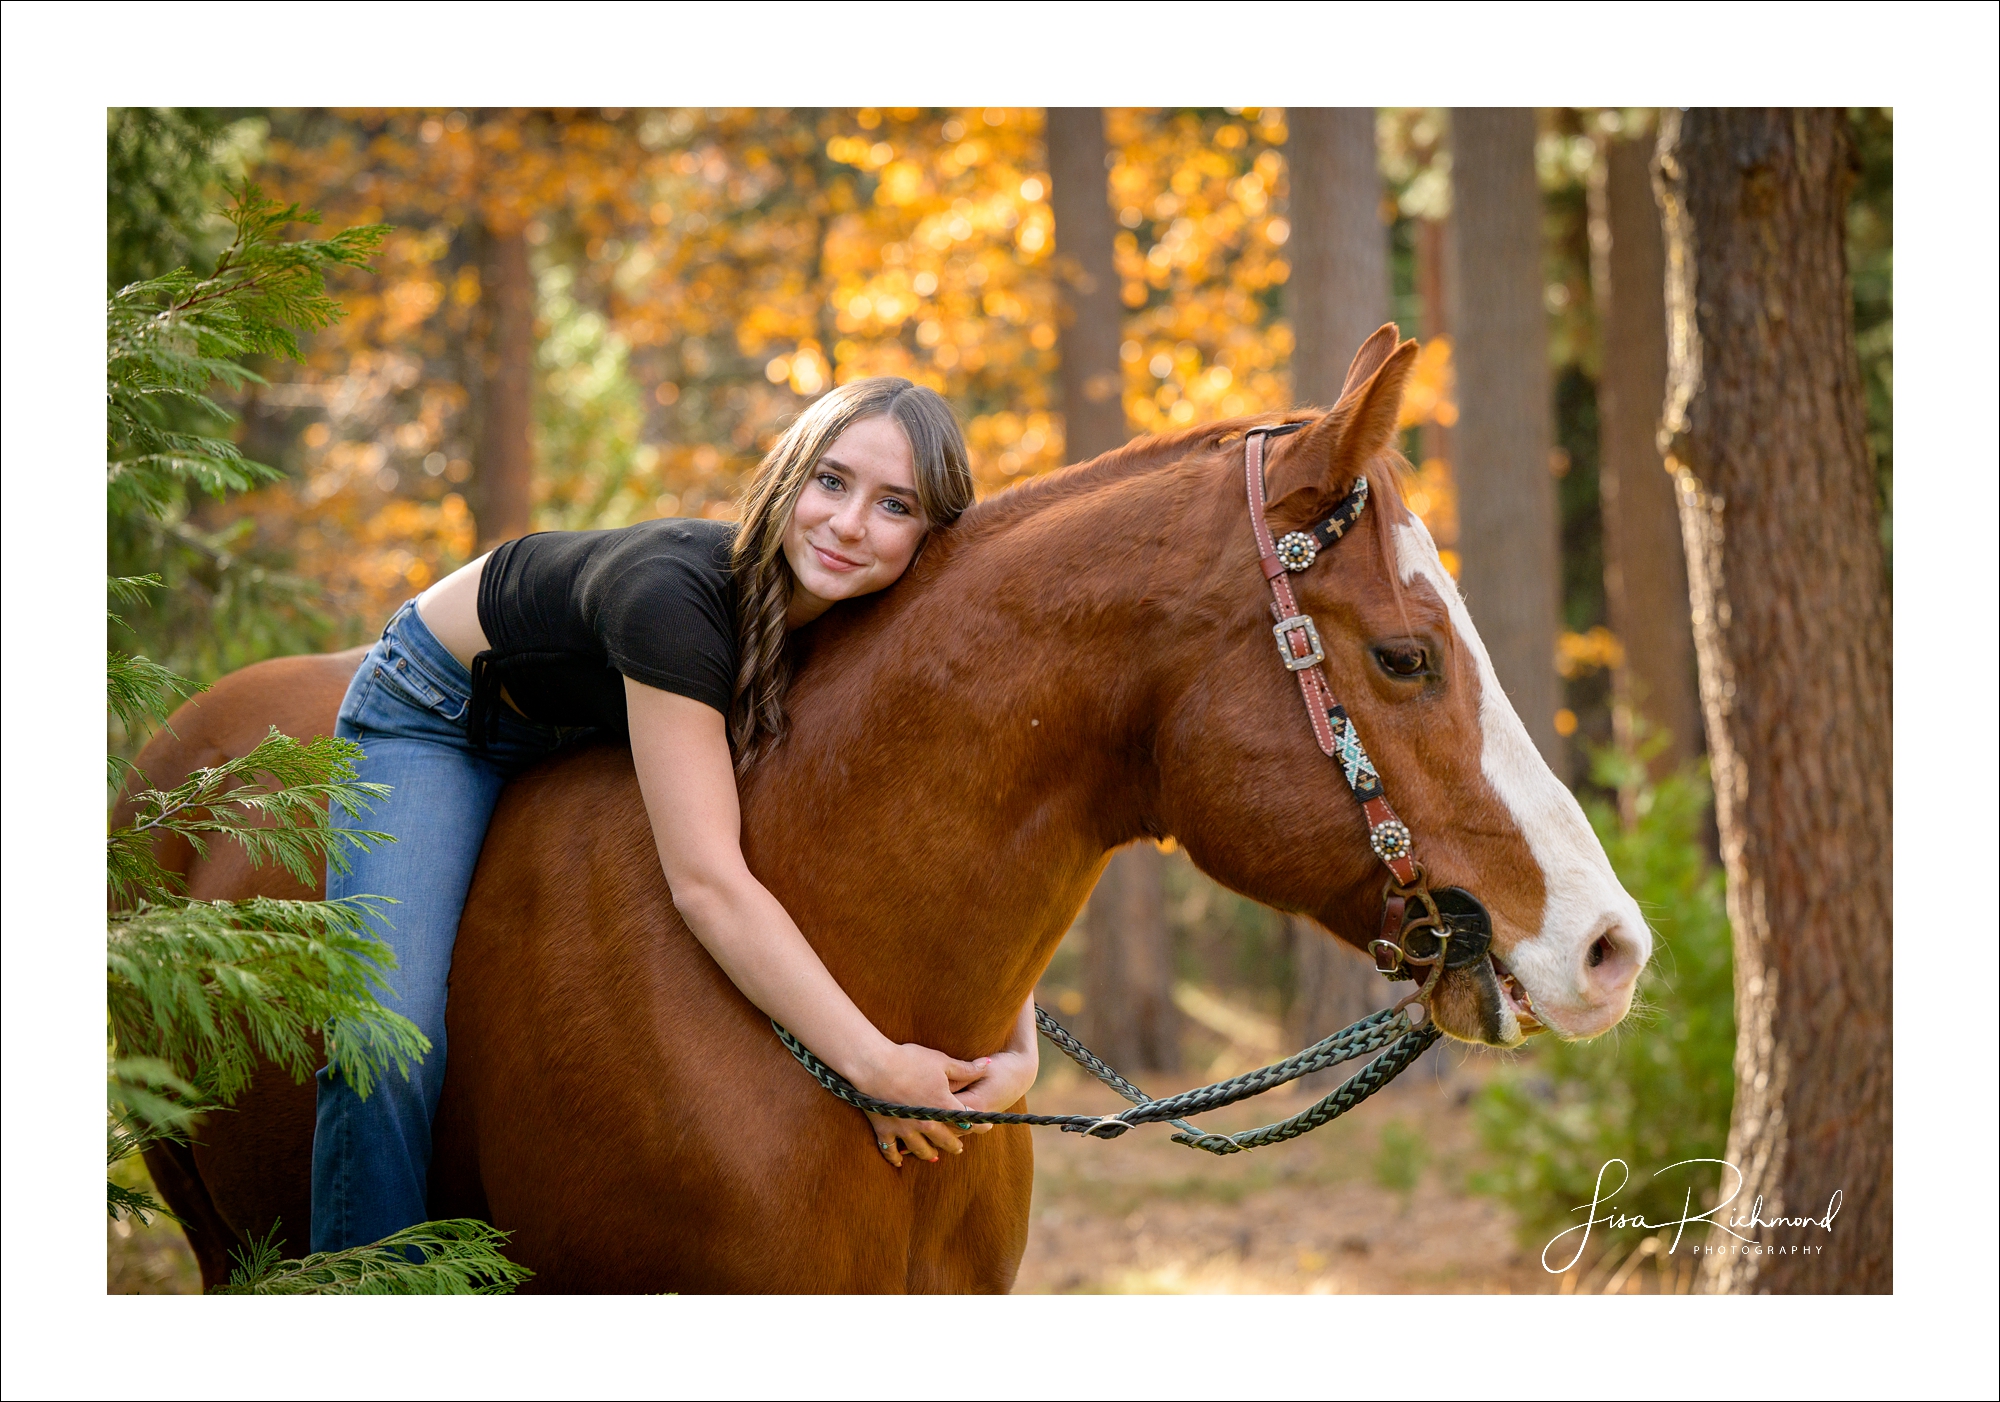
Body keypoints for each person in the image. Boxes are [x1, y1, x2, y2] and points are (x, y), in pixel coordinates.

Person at [311, 378, 1038, 1253]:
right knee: (386, 1034)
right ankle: (360, 1288)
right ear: (787, 478)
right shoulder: (674, 600)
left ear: (931, 538)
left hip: (598, 713)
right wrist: (877, 1068)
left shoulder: (861, 630)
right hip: (440, 713)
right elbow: (707, 884)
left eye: (896, 505)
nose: (849, 525)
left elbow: (949, 850)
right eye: (832, 482)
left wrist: (1018, 1051)